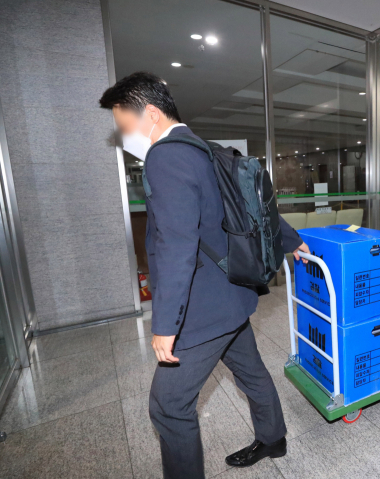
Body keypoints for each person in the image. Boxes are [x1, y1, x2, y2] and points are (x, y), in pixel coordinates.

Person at [99, 72, 310, 478]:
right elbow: (249, 206)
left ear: (152, 114)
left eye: (125, 125)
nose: (124, 135)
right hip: (232, 295)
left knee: (168, 406)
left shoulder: (166, 157)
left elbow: (177, 246)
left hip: (203, 310)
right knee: (251, 371)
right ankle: (273, 437)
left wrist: (166, 324)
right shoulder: (206, 149)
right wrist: (291, 239)